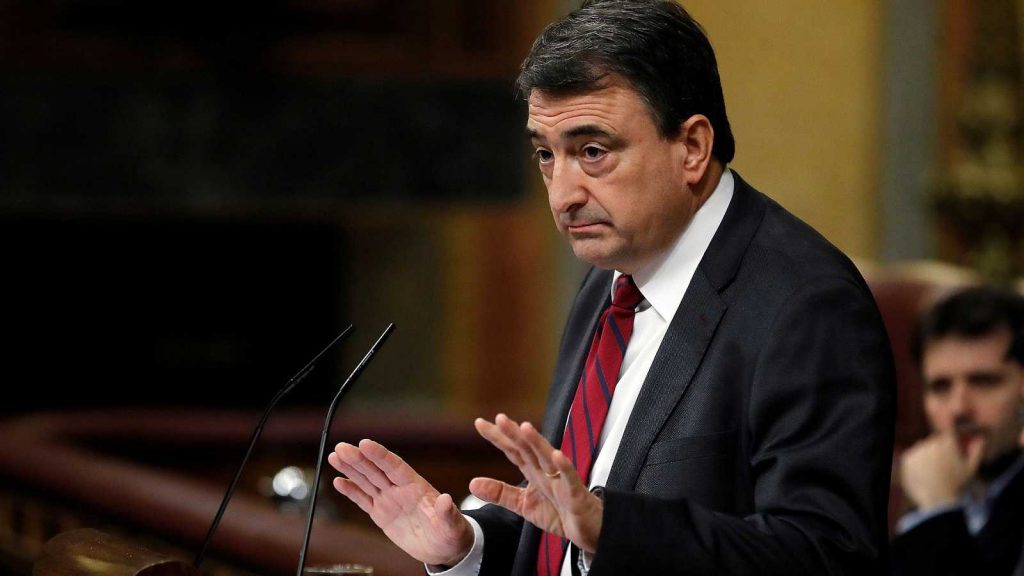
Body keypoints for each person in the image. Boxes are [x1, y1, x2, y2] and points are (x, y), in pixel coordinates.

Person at [328, 1, 895, 574]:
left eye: (593, 152)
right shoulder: (611, 277)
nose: (562, 196)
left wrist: (612, 528)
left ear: (692, 148)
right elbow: (572, 521)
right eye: (546, 155)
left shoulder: (807, 306)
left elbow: (825, 554)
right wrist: (468, 545)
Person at [890, 286, 1024, 575]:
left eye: (984, 382)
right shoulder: (912, 482)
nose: (959, 409)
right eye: (940, 387)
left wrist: (938, 512)